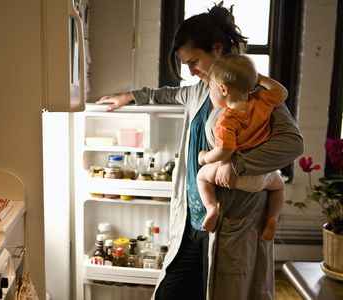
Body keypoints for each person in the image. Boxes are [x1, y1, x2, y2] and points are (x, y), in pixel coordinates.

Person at [96, 3, 303, 300]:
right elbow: (166, 93)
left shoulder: (253, 95)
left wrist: (238, 165)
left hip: (233, 227)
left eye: (194, 62)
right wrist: (130, 96)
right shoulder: (198, 90)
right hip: (193, 224)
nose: (190, 71)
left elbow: (292, 144)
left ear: (217, 49)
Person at [196, 54, 287, 242]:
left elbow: (225, 151)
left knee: (202, 176)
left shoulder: (227, 119)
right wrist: (260, 79)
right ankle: (273, 218)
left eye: (210, 89)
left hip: (238, 176)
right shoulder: (262, 101)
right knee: (279, 187)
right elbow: (282, 92)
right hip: (262, 175)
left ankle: (212, 208)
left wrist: (205, 157)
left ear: (222, 88)